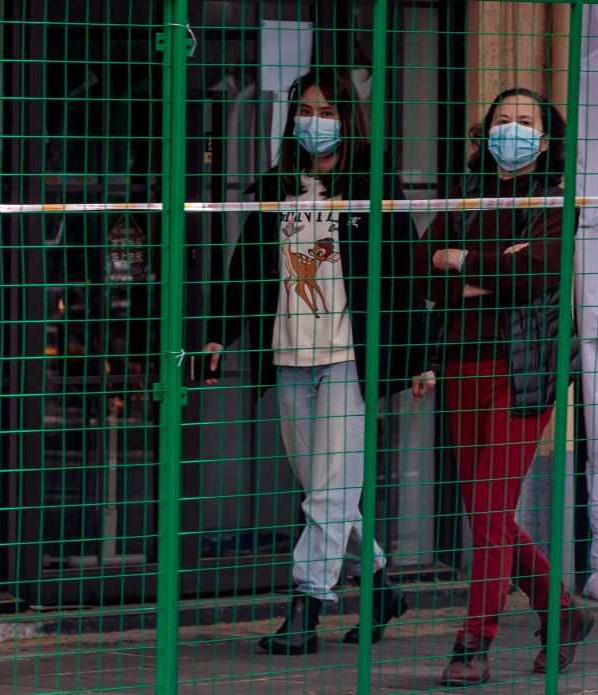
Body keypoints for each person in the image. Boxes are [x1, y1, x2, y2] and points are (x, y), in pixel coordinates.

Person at [204, 69, 427, 655]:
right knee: (326, 488)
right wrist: (218, 336)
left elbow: (404, 274)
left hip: (347, 360)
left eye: (328, 111)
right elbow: (247, 269)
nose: (316, 122)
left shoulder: (374, 182)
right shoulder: (278, 186)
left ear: (347, 119)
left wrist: (419, 355)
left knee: (326, 493)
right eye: (306, 110)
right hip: (289, 358)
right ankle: (381, 587)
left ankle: (307, 606)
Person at [411, 87, 593, 686]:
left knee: (489, 507)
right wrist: (488, 267)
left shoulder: (555, 200)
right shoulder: (464, 198)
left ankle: (474, 642)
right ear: (484, 133)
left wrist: (459, 262)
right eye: (502, 121)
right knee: (485, 512)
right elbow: (419, 268)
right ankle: (562, 614)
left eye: (525, 122)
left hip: (526, 370)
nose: (511, 131)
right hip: (462, 366)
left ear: (546, 140)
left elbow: (537, 269)